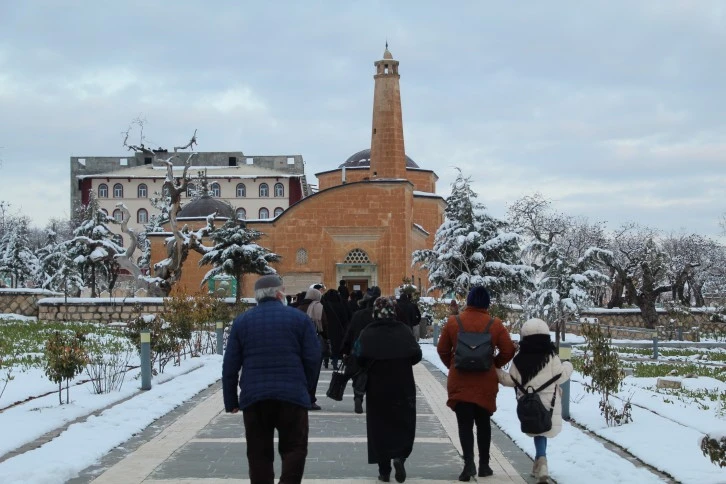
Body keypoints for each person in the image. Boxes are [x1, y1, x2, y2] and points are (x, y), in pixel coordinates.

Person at [222, 274, 320, 484]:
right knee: (295, 448)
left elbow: (230, 365)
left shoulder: (242, 322)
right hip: (292, 397)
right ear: (278, 293)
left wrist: (231, 400)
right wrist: (307, 390)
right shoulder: (299, 319)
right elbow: (313, 358)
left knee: (258, 453)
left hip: (255, 398)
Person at [437, 286, 516, 481]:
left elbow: (442, 350)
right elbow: (508, 350)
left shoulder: (454, 322)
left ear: (469, 301)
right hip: (485, 383)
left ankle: (468, 464)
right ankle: (484, 465)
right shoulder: (495, 324)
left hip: (460, 381)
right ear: (487, 303)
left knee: (464, 424)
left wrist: (454, 365)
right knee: (483, 423)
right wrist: (493, 364)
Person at [496, 318, 573, 483]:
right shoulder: (552, 358)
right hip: (549, 405)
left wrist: (496, 372)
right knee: (542, 430)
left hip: (529, 404)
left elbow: (510, 380)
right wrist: (569, 365)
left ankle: (541, 462)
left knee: (538, 432)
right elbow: (562, 376)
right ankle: (541, 462)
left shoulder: (519, 359)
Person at [355, 296, 422, 483]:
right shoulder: (404, 331)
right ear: (393, 311)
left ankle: (384, 470)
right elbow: (416, 355)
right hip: (403, 385)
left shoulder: (367, 332)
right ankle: (400, 457)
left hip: (377, 388)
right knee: (404, 422)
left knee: (380, 427)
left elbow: (358, 356)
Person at [340, 286, 381, 413]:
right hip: (376, 351)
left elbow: (350, 333)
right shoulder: (380, 315)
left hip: (358, 350)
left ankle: (358, 396)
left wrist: (345, 350)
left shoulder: (358, 315)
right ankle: (374, 401)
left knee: (358, 375)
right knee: (374, 376)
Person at [296, 287, 327, 410]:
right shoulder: (320, 307)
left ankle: (300, 397)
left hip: (299, 344)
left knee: (301, 371)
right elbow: (324, 326)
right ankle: (311, 399)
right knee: (313, 372)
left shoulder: (298, 308)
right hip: (315, 343)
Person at [321, 289, 349, 371]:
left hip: (326, 329)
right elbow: (345, 318)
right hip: (337, 329)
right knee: (336, 347)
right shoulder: (340, 305)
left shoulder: (324, 305)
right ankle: (335, 363)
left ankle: (326, 361)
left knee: (327, 345)